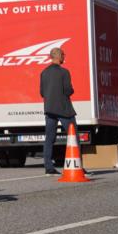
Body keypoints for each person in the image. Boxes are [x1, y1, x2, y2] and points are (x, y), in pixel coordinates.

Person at [40, 47, 76, 175]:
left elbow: (42, 92)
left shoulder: (44, 72)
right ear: (59, 56)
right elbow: (68, 90)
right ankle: (78, 166)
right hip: (64, 109)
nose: (64, 57)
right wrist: (71, 91)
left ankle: (49, 168)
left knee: (49, 138)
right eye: (63, 55)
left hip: (49, 109)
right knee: (73, 136)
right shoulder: (64, 72)